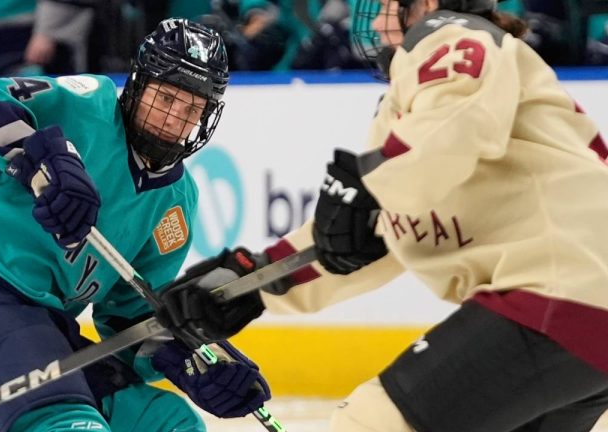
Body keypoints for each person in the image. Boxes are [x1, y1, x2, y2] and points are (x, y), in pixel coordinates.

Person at [157, 1, 608, 432]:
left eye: (385, 7)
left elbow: (447, 137)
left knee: (374, 421)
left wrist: (370, 188)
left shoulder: (453, 36)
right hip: (581, 309)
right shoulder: (424, 121)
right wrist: (251, 283)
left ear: (426, 4)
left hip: (562, 292)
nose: (373, 25)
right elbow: (371, 237)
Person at [0, 18, 270, 432]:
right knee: (68, 424)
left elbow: (130, 316)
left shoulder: (176, 202)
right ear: (139, 84)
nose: (174, 119)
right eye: (165, 98)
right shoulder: (86, 102)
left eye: (192, 109)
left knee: (168, 422)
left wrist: (189, 358)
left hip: (51, 331)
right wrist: (42, 158)